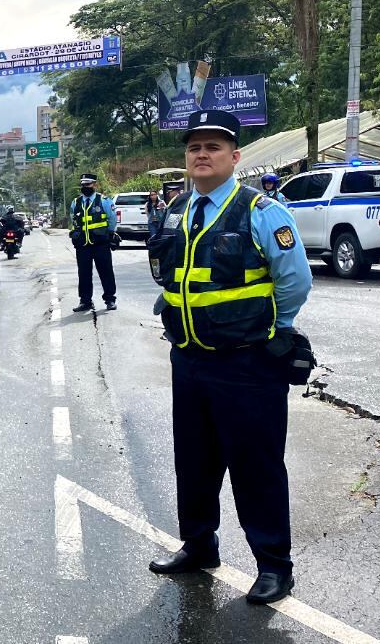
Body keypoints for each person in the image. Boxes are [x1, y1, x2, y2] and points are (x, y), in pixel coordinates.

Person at [145, 109, 312, 606]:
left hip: (248, 363)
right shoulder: (179, 209)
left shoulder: (261, 211)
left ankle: (274, 568)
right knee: (193, 462)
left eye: (213, 147)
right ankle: (199, 546)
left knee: (256, 465)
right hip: (189, 360)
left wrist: (272, 332)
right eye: (195, 147)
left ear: (234, 157)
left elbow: (295, 280)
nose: (202, 154)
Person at [68, 173, 117, 312]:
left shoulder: (104, 200)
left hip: (100, 243)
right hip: (83, 245)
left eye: (88, 184)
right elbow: (73, 220)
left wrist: (110, 233)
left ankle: (110, 299)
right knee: (83, 273)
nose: (85, 187)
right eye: (83, 185)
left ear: (94, 184)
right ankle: (85, 301)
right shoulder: (76, 202)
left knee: (106, 271)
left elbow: (112, 218)